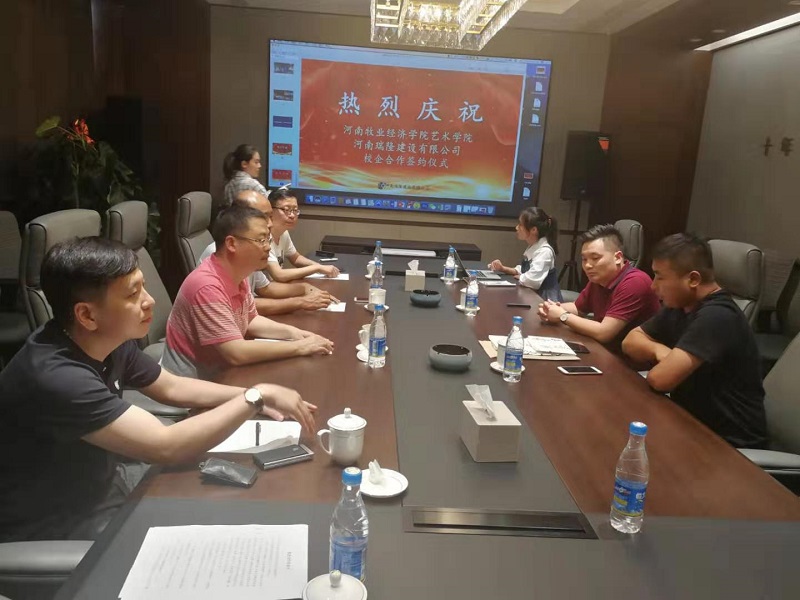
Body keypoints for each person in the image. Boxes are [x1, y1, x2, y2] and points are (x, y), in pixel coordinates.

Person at [0, 237, 316, 542]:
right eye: (132, 294)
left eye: (144, 287)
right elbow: (166, 446)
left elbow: (171, 387)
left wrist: (256, 398)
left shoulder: (105, 339)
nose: (149, 300)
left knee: (231, 498)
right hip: (57, 522)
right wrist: (254, 396)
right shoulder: (57, 377)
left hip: (103, 483)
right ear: (87, 314)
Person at [622, 234, 767, 448]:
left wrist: (659, 357)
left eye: (660, 277)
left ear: (693, 280)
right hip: (690, 422)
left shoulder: (718, 316)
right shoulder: (681, 304)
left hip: (729, 446)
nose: (653, 286)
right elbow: (630, 341)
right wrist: (659, 350)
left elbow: (660, 379)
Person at [162, 204, 334, 380]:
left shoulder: (239, 273)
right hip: (190, 382)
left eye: (268, 239)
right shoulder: (207, 286)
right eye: (260, 240)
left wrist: (295, 334)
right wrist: (301, 347)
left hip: (221, 372)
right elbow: (236, 352)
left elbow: (250, 320)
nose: (268, 247)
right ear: (231, 243)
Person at [198, 190, 338, 315]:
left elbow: (265, 288)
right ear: (241, 216)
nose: (270, 223)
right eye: (263, 216)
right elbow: (242, 307)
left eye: (270, 216)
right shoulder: (220, 252)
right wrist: (300, 302)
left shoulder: (253, 248)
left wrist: (305, 289)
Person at [537, 224, 660, 350]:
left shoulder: (635, 282)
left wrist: (563, 315)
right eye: (584, 259)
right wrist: (550, 308)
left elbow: (604, 333)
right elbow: (578, 308)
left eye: (595, 258)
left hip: (627, 358)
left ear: (618, 257)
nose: (588, 265)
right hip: (604, 349)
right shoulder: (599, 279)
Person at [263, 187, 340, 282]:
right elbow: (279, 275)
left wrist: (320, 267)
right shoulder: (264, 237)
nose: (292, 215)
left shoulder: (284, 233)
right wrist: (317, 268)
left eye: (295, 210)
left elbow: (296, 258)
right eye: (286, 209)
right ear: (271, 210)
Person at [488, 206, 562, 302]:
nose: (516, 228)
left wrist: (522, 277)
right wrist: (502, 268)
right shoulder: (533, 246)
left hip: (545, 301)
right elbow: (523, 270)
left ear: (533, 230)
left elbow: (532, 280)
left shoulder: (545, 251)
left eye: (520, 225)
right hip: (531, 297)